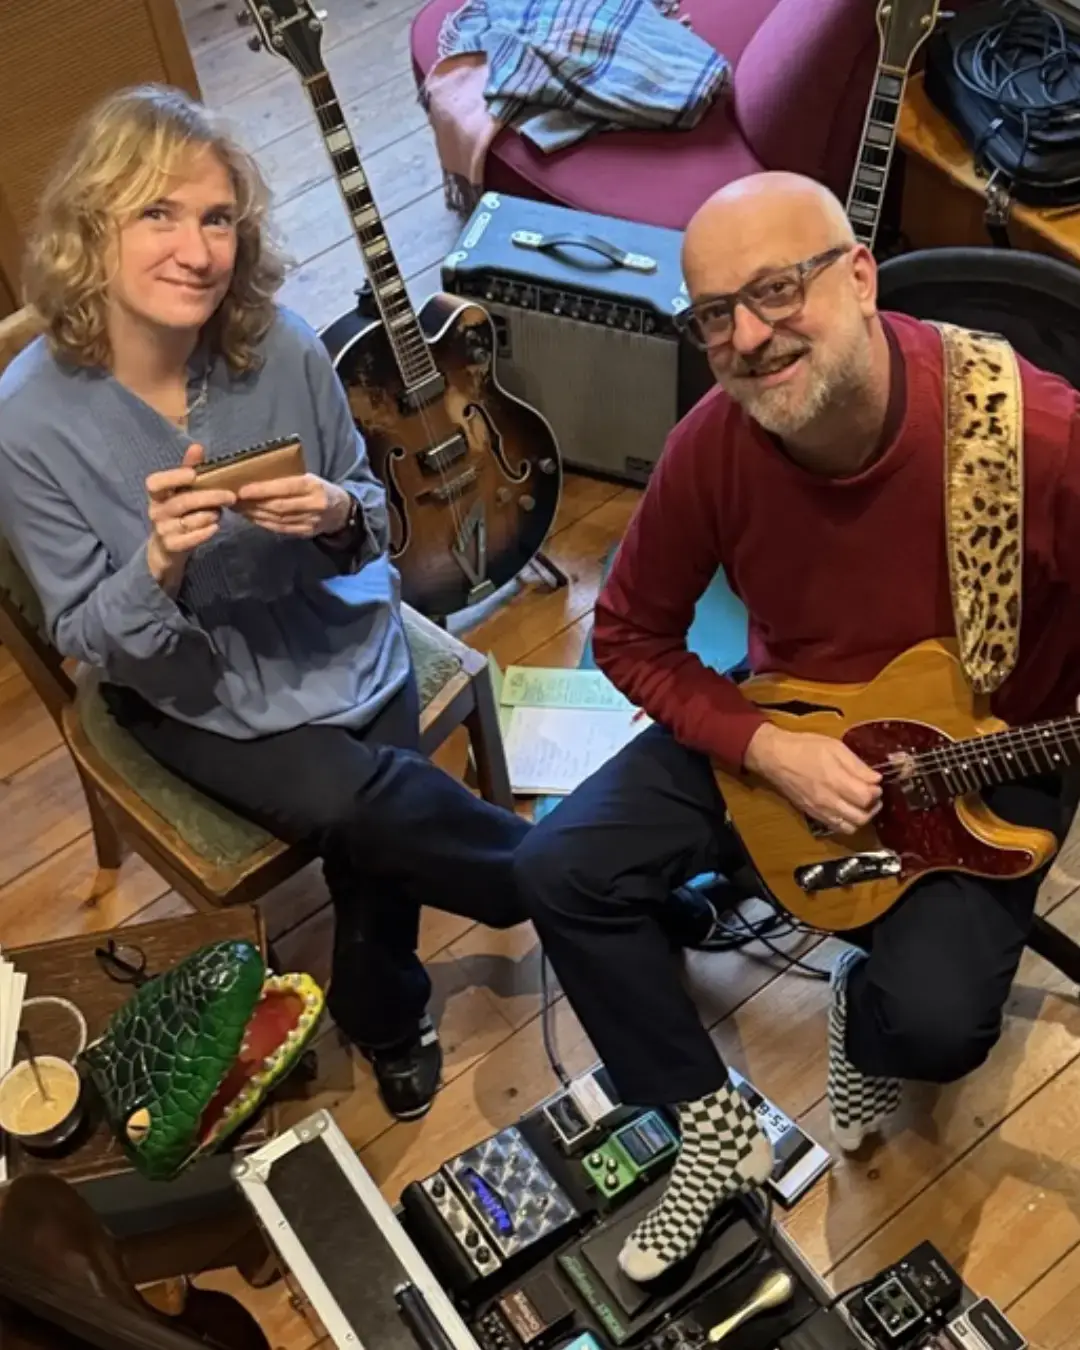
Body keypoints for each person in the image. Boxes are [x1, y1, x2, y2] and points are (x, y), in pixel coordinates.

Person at [514, 170, 1080, 1283]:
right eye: (714, 314)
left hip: (990, 743)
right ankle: (706, 1121)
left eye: (777, 290)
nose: (748, 338)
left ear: (860, 277)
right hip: (796, 720)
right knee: (557, 867)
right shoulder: (714, 446)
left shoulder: (1042, 442)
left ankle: (859, 1008)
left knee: (937, 1026)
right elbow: (628, 633)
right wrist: (768, 747)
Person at [0, 85, 530, 1123]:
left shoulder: (281, 343)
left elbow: (372, 515)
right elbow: (84, 636)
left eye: (217, 219)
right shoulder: (26, 421)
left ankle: (385, 1009)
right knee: (360, 806)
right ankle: (561, 880)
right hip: (186, 682)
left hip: (339, 628)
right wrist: (155, 563)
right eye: (158, 214)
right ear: (91, 225)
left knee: (371, 822)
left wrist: (333, 511)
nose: (198, 250)